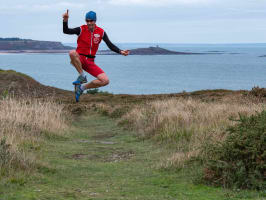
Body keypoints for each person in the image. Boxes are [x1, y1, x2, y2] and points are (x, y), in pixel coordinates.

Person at [62, 10, 129, 102]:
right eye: (87, 21)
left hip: (90, 61)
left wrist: (121, 51)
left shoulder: (101, 32)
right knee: (72, 52)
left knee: (105, 81)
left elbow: (110, 45)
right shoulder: (81, 29)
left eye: (91, 21)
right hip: (79, 58)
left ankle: (81, 88)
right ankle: (82, 76)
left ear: (95, 21)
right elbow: (66, 31)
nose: (89, 23)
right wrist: (65, 20)